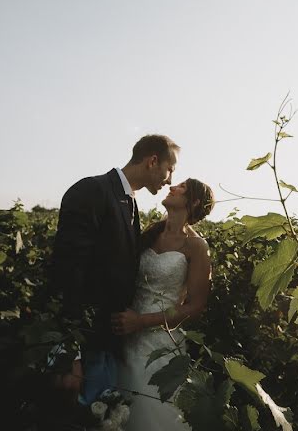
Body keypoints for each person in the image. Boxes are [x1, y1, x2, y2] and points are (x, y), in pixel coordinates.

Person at [51, 134, 180, 406]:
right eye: (170, 169)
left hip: (110, 344)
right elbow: (68, 273)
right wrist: (69, 353)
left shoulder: (129, 202)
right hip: (85, 346)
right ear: (153, 161)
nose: (170, 179)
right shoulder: (92, 191)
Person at [111, 178, 214, 431]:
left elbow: (195, 307)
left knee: (153, 413)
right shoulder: (149, 234)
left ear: (194, 201)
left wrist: (141, 321)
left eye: (180, 187)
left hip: (160, 343)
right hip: (123, 335)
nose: (171, 187)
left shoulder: (197, 246)